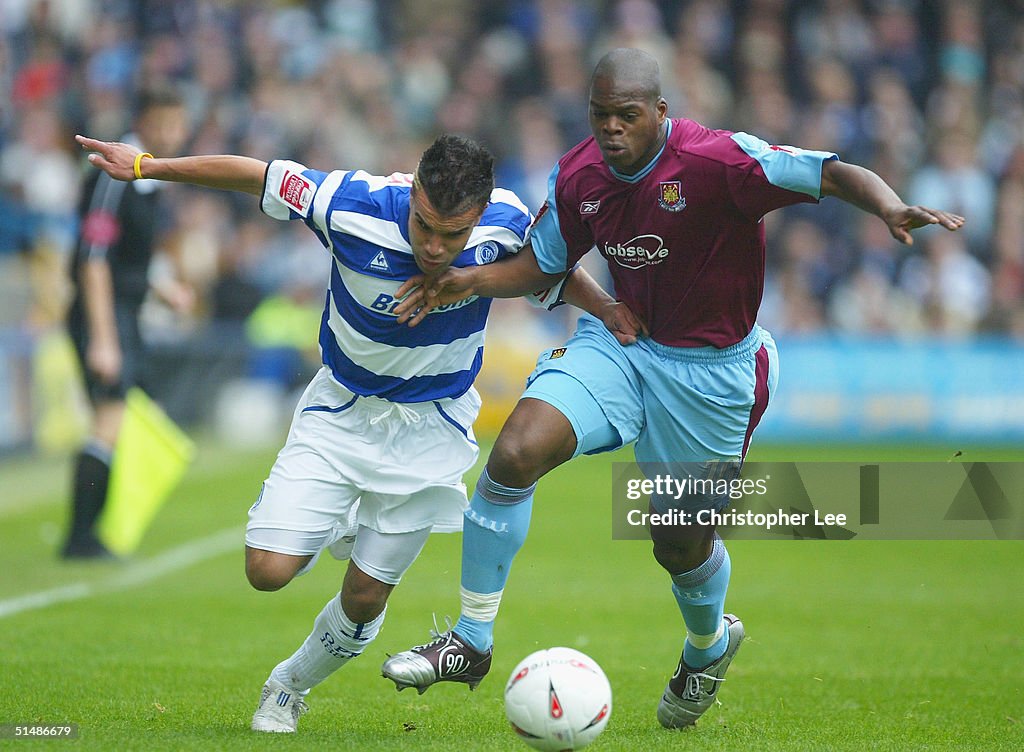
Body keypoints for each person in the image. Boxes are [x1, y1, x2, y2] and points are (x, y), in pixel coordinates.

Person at [381, 48, 965, 729]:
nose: (611, 129)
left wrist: (890, 205)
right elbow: (543, 265)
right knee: (515, 452)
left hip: (714, 377)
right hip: (625, 343)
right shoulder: (579, 175)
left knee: (677, 544)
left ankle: (707, 646)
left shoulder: (719, 162)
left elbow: (826, 172)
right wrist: (469, 280)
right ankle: (471, 641)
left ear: (661, 111)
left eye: (627, 115)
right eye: (600, 115)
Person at [75, 131, 642, 733]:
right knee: (265, 571)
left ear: (477, 215)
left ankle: (288, 686)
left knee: (366, 598)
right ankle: (340, 517)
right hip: (342, 414)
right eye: (425, 225)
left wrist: (607, 308)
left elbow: (548, 271)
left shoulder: (505, 221)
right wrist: (147, 165)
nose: (434, 245)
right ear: (414, 188)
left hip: (432, 429)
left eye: (453, 236)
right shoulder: (352, 203)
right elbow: (256, 174)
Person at [63, 87, 191, 559]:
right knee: (110, 415)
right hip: (101, 312)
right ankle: (80, 537)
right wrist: (103, 339)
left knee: (132, 412)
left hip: (127, 311)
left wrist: (163, 287)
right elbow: (93, 259)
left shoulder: (147, 179)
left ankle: (100, 526)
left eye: (179, 125)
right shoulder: (114, 172)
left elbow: (129, 256)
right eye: (166, 123)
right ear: (145, 120)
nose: (174, 134)